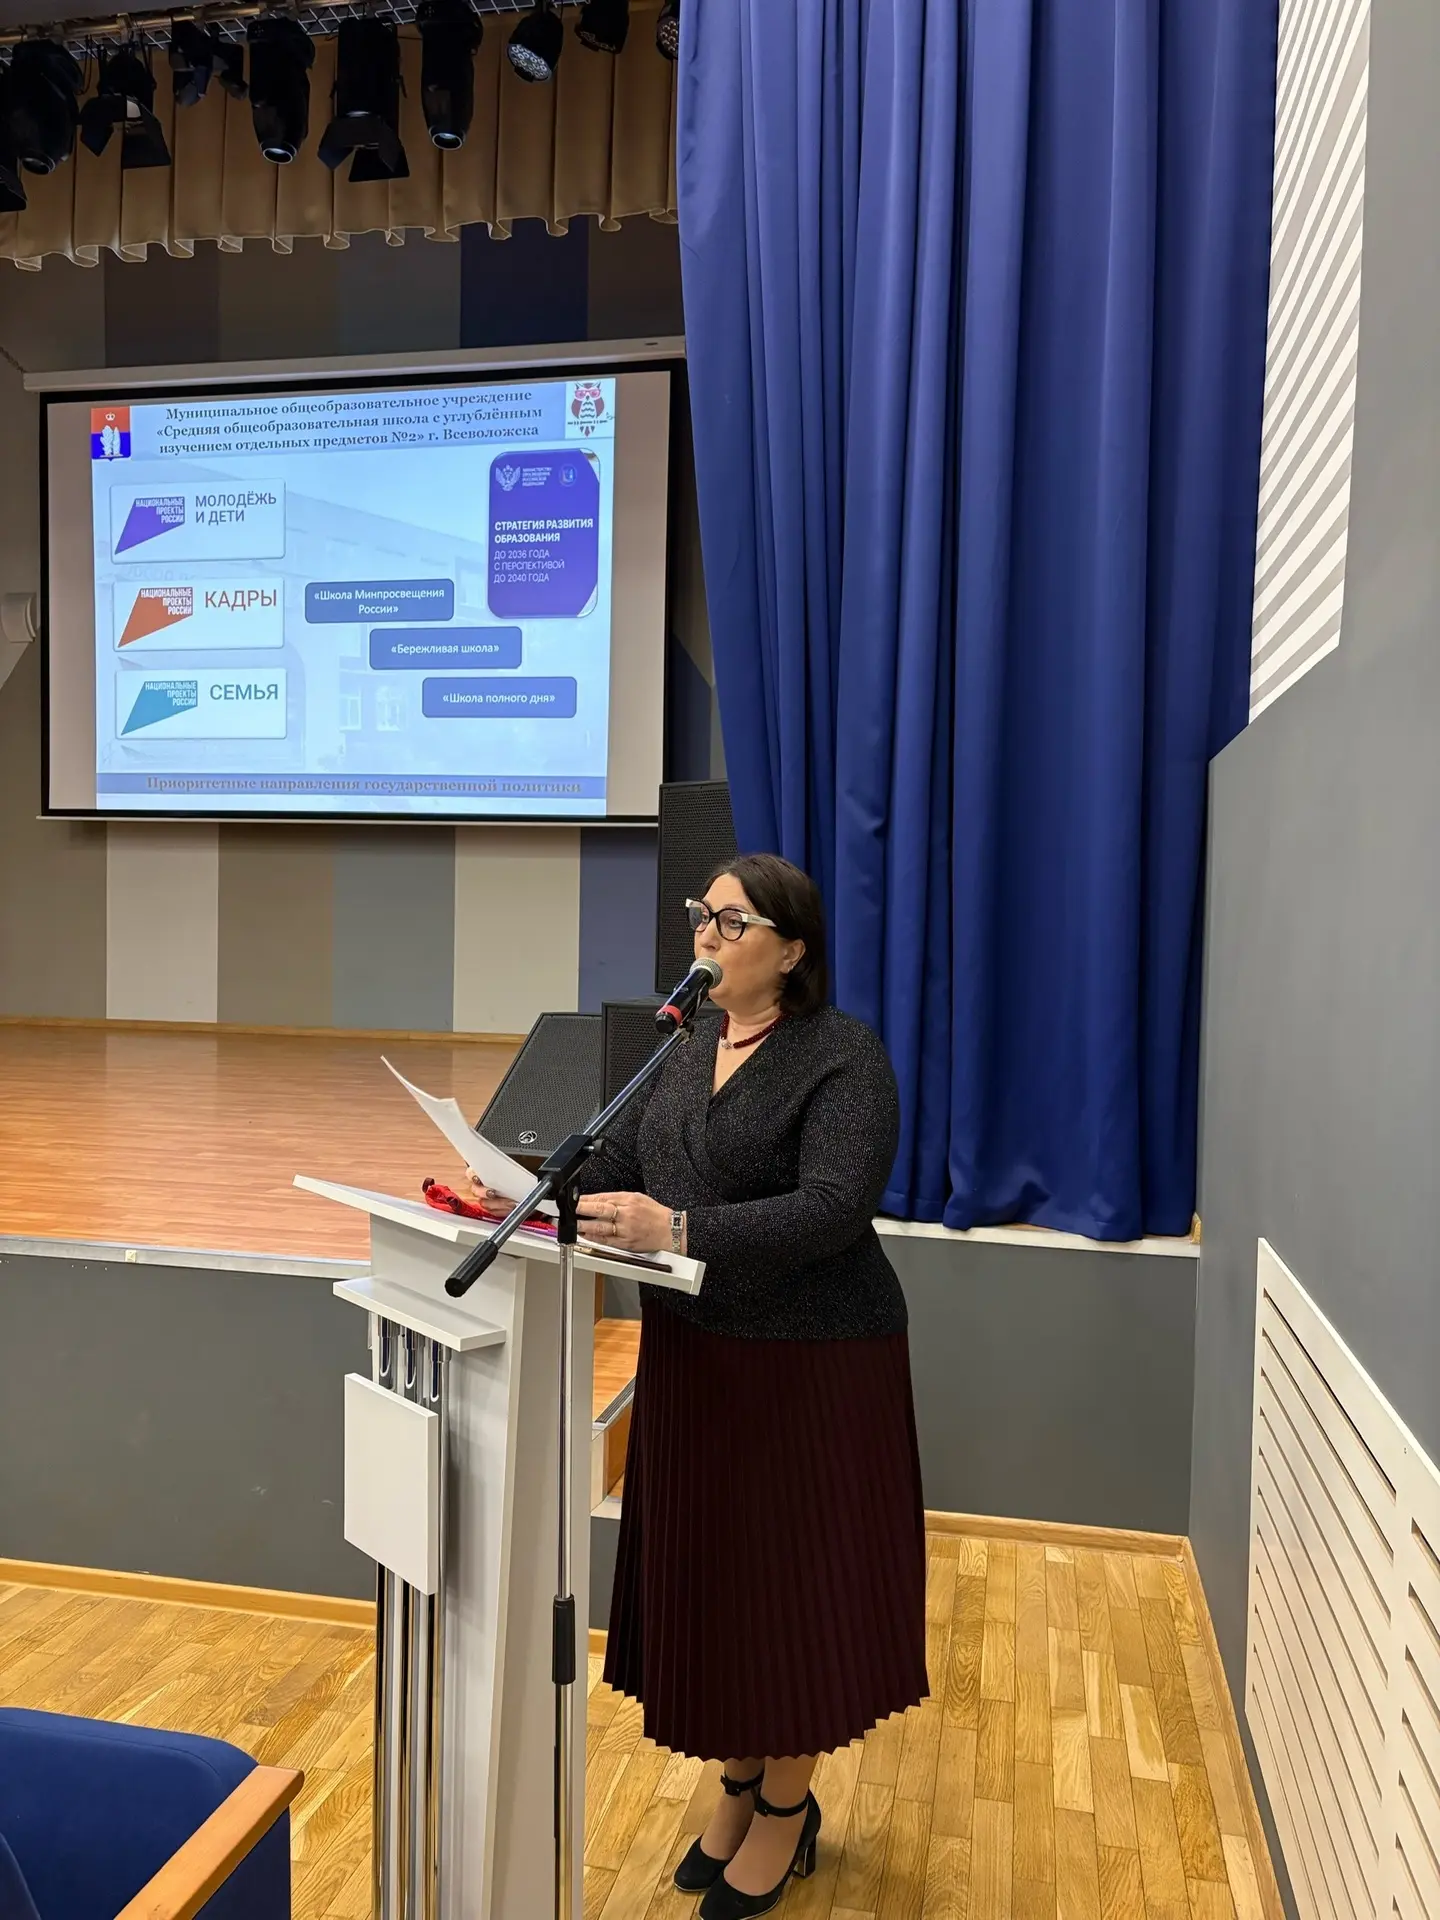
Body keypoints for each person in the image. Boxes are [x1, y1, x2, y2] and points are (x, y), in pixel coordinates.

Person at [472, 853, 927, 1919]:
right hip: (696, 1353)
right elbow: (617, 1162)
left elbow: (834, 1208)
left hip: (813, 1361)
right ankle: (739, 1784)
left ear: (792, 949)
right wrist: (523, 1188)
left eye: (732, 921)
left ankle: (785, 1809)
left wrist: (678, 1227)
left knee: (793, 1590)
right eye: (701, 916)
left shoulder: (843, 1057)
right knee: (720, 1586)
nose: (707, 937)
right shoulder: (683, 1048)